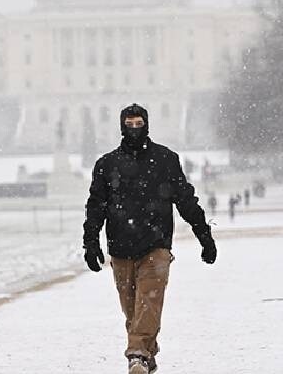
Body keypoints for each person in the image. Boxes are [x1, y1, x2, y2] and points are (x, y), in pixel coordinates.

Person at [83, 103, 216, 374]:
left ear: (147, 124)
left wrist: (204, 235)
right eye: (129, 124)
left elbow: (186, 200)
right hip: (120, 246)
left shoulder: (165, 160)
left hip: (156, 244)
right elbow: (96, 205)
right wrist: (91, 241)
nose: (134, 129)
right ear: (122, 126)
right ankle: (147, 352)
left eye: (138, 124)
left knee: (149, 300)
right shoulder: (107, 165)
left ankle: (137, 355)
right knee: (132, 309)